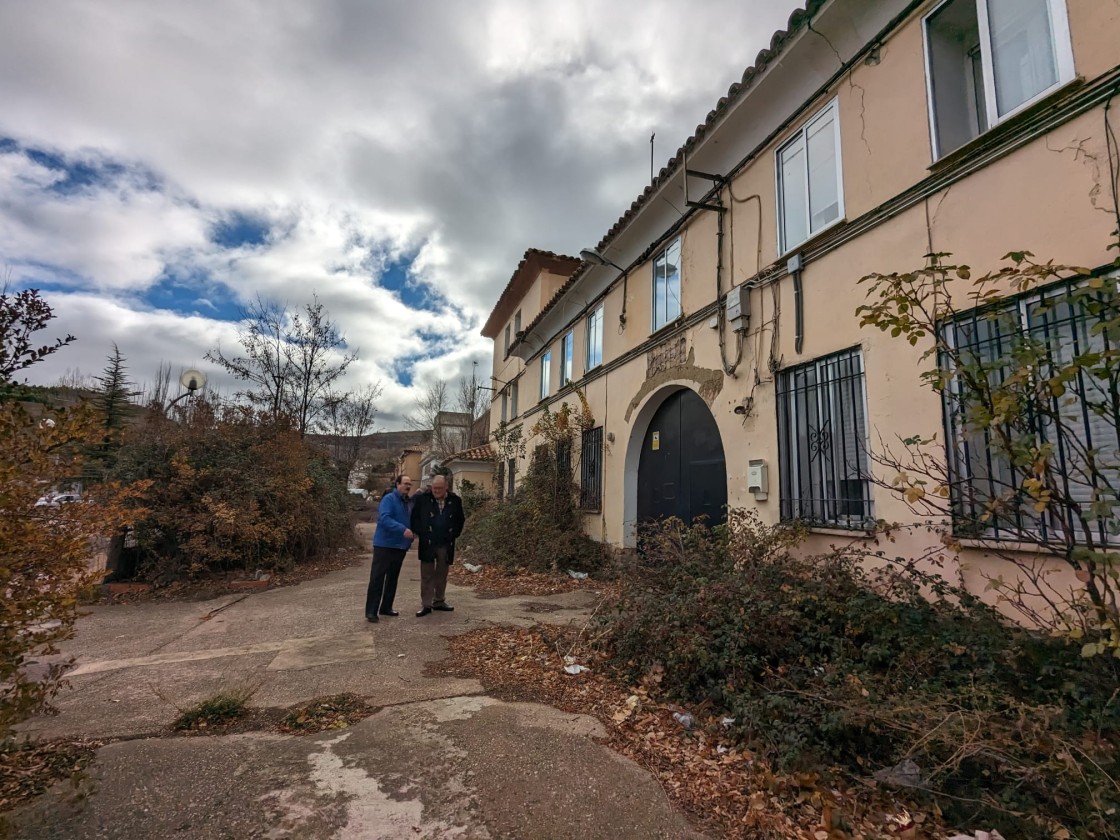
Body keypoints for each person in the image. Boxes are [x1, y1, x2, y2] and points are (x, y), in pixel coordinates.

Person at [409, 473, 465, 617]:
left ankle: (439, 601)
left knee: (442, 573)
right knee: (427, 574)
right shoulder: (423, 499)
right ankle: (426, 605)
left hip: (446, 542)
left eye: (440, 488)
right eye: (434, 488)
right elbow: (414, 518)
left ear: (446, 487)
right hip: (428, 542)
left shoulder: (455, 500)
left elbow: (460, 520)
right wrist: (422, 532)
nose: (437, 491)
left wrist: (454, 534)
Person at [364, 474, 414, 622]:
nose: (408, 486)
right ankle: (371, 611)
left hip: (400, 546)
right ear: (397, 485)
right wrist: (402, 529)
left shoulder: (408, 502)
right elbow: (384, 518)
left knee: (392, 579)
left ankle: (386, 607)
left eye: (409, 484)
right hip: (384, 545)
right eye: (405, 483)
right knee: (377, 579)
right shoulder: (389, 499)